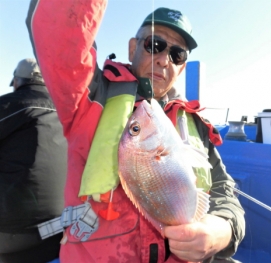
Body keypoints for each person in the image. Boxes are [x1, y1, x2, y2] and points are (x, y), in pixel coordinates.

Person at [26, 1, 245, 262]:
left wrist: (220, 231)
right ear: (133, 48)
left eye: (177, 55)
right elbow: (59, 32)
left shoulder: (195, 123)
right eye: (155, 45)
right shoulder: (91, 96)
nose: (164, 59)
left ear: (182, 67)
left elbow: (223, 190)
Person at [0, 58, 67, 263]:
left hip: (10, 237)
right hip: (59, 234)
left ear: (18, 82)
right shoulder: (69, 113)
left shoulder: (10, 104)